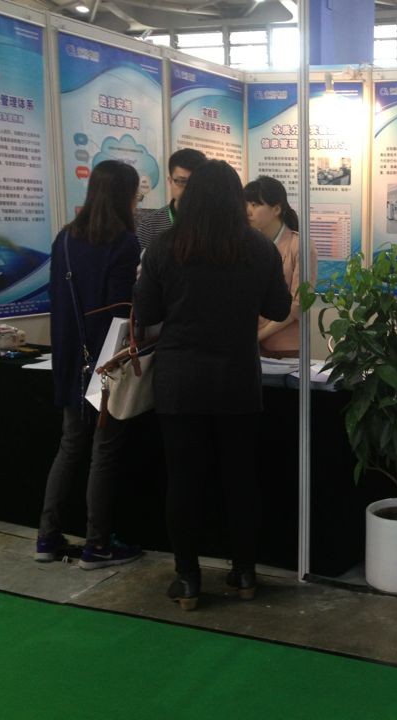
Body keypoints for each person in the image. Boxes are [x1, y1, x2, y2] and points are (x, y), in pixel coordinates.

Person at [133, 160, 291, 610]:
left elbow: (147, 314)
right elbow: (280, 309)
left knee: (183, 483)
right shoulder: (258, 248)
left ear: (192, 195)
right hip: (237, 382)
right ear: (235, 199)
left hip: (179, 383)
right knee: (240, 480)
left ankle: (187, 579)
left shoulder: (165, 247)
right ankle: (244, 574)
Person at [36, 159, 144, 570]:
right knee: (104, 452)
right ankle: (97, 544)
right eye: (135, 195)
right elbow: (121, 312)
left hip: (69, 359)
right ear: (124, 196)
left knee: (69, 446)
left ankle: (47, 536)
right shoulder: (124, 243)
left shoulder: (65, 238)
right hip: (106, 363)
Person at [244, 176, 318, 358]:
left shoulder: (299, 245)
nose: (248, 211)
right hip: (249, 342)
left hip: (284, 346)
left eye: (255, 205)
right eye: (246, 204)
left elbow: (299, 304)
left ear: (276, 209)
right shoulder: (250, 244)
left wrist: (259, 335)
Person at [135, 148, 206, 251]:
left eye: (195, 183)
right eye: (182, 181)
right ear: (170, 181)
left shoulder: (212, 222)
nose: (189, 189)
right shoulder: (150, 226)